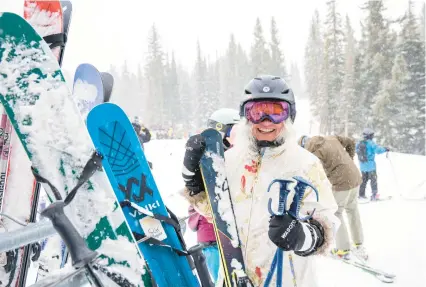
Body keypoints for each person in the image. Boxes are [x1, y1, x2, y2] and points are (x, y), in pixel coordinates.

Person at [181, 75, 339, 287]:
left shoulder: (306, 164)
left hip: (286, 279)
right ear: (246, 117)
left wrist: (302, 236)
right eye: (257, 112)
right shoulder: (230, 160)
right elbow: (219, 213)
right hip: (234, 276)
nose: (266, 121)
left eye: (276, 112)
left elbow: (327, 220)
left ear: (289, 115)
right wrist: (195, 185)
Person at [298, 135, 367, 261]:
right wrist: (349, 159)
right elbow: (350, 141)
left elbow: (313, 174)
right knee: (352, 210)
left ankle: (343, 249)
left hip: (342, 181)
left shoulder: (312, 153)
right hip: (355, 176)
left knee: (336, 213)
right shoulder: (331, 138)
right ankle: (358, 244)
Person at [188, 205, 219, 282]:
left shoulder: (196, 205)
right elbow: (192, 226)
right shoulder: (196, 206)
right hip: (210, 245)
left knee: (219, 275)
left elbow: (192, 226)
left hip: (212, 243)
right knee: (219, 276)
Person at [356, 128, 389, 201]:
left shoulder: (359, 143)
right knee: (373, 180)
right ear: (370, 136)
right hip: (371, 166)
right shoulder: (371, 143)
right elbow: (378, 150)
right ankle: (374, 196)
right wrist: (385, 149)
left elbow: (356, 150)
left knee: (363, 180)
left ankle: (361, 195)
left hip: (363, 166)